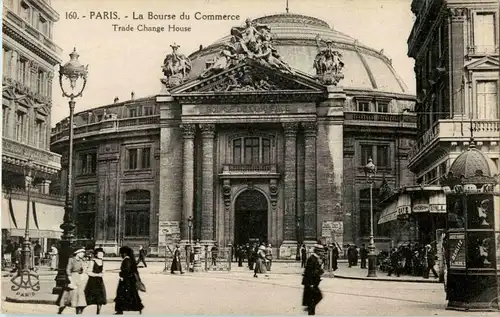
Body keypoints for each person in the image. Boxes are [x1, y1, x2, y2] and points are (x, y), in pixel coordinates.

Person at [57, 248, 88, 314]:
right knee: (69, 295)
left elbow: (83, 270)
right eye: (81, 253)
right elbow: (68, 270)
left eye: (83, 253)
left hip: (79, 278)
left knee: (80, 296)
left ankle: (79, 311)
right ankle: (61, 310)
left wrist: (84, 269)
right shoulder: (71, 260)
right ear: (77, 253)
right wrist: (71, 281)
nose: (83, 254)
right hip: (72, 277)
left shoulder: (82, 261)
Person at [114, 246, 144, 314]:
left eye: (121, 254)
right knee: (131, 295)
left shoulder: (126, 260)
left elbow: (126, 271)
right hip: (129, 280)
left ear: (124, 253)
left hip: (126, 281)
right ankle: (138, 309)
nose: (120, 255)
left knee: (122, 295)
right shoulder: (129, 259)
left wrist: (121, 273)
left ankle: (120, 310)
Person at [302, 244, 324, 315]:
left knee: (316, 297)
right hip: (311, 282)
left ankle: (309, 307)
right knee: (316, 298)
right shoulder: (312, 259)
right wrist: (310, 283)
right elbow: (309, 272)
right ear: (317, 251)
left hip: (313, 282)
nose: (322, 253)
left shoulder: (316, 258)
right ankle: (310, 309)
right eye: (321, 251)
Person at [85, 248, 107, 314]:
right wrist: (97, 275)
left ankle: (98, 312)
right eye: (100, 253)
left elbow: (103, 270)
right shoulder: (93, 261)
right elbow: (88, 272)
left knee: (100, 298)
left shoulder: (102, 261)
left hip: (99, 281)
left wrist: (103, 272)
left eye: (102, 253)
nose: (101, 255)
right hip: (92, 281)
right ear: (96, 254)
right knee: (89, 298)